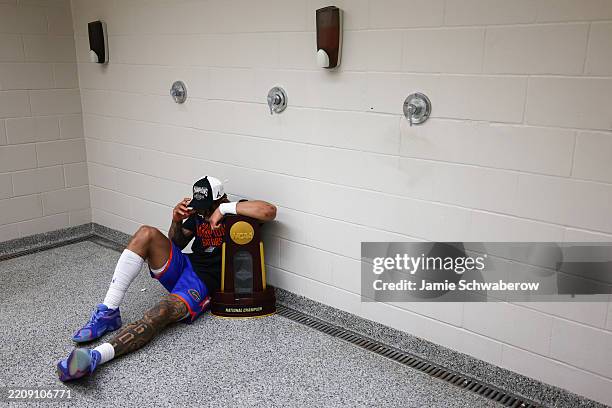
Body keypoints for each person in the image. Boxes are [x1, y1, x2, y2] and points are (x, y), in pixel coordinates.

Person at [56, 176, 277, 381]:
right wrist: (176, 221)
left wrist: (224, 210)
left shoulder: (237, 211)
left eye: (206, 207)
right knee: (146, 233)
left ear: (221, 199)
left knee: (162, 311)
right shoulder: (199, 214)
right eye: (198, 208)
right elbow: (177, 243)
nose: (202, 213)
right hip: (186, 264)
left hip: (203, 281)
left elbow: (269, 211)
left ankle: (96, 356)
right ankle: (108, 311)